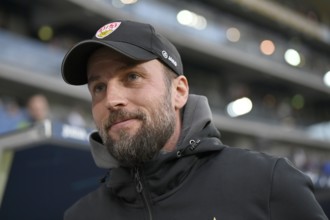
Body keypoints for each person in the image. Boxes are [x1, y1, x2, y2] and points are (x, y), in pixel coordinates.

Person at [61, 20, 328, 220]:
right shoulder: (81, 216)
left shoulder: (268, 183)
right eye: (98, 87)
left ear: (179, 92)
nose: (111, 99)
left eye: (132, 77)